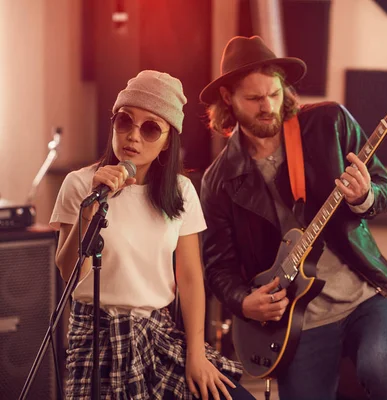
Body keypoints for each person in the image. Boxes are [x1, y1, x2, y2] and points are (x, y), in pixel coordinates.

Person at [198, 36, 387, 400]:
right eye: (254, 99)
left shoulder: (329, 123)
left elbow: (383, 187)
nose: (268, 106)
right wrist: (243, 302)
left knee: (385, 374)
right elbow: (218, 265)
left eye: (274, 94)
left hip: (364, 296)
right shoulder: (219, 179)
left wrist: (365, 196)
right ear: (228, 99)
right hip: (296, 325)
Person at [50, 70, 255, 400]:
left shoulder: (181, 191)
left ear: (166, 142)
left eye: (149, 129)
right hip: (96, 336)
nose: (133, 136)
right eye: (124, 121)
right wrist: (91, 205)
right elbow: (69, 275)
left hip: (156, 332)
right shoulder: (80, 184)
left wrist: (196, 353)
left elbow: (189, 277)